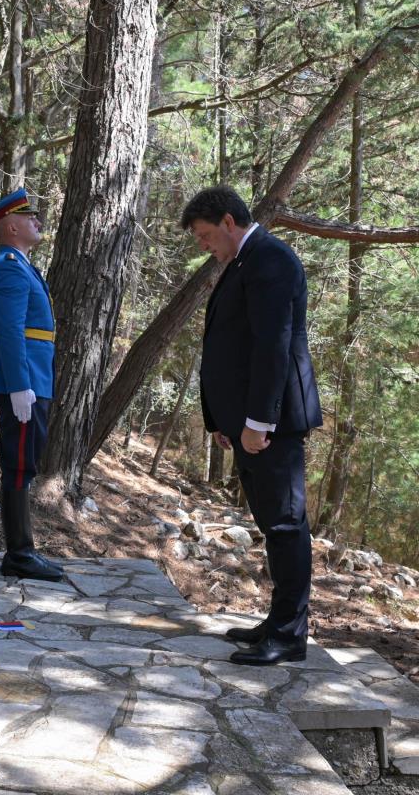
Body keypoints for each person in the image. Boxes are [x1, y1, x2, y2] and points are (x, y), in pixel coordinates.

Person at [182, 185, 322, 666]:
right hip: (248, 422)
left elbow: (272, 347)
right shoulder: (243, 262)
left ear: (227, 220)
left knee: (285, 523)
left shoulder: (270, 259)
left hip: (274, 422)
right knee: (272, 521)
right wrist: (223, 420)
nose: (204, 246)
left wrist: (259, 421)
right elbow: (230, 347)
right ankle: (278, 620)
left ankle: (289, 634)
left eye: (204, 236)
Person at [0, 189, 64, 583]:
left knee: (24, 463)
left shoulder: (21, 265)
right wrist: (19, 385)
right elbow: (11, 331)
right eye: (30, 218)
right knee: (17, 465)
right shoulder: (10, 266)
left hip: (33, 376)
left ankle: (23, 549)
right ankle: (19, 552)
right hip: (24, 379)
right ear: (11, 226)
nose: (38, 222)